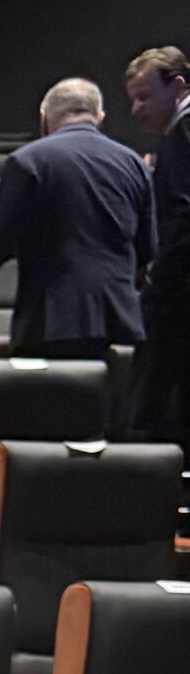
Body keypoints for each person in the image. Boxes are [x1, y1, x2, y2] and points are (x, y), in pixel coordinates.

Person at [0, 77, 151, 354]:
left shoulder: (27, 161)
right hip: (122, 322)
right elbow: (148, 251)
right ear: (100, 118)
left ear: (43, 119)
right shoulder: (135, 165)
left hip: (52, 322)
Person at [127, 44, 190, 438]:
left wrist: (155, 279)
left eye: (145, 96)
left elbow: (184, 212)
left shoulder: (182, 132)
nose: (136, 110)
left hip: (178, 293)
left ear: (178, 86)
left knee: (150, 401)